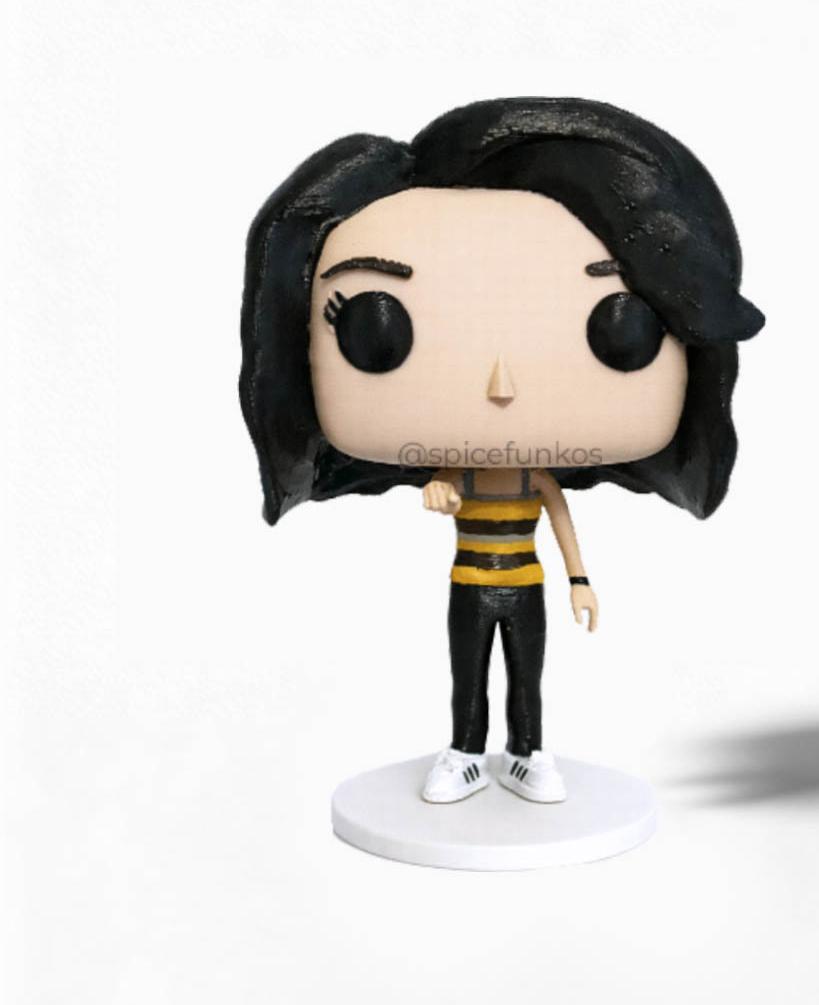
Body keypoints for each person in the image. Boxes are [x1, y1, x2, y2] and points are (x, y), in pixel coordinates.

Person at [239, 97, 764, 804]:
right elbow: (446, 488)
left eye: (622, 326)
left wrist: (579, 580)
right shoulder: (457, 466)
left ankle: (526, 751)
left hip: (527, 583)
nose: (501, 386)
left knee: (526, 673)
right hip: (468, 580)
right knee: (467, 672)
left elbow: (559, 514)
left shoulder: (535, 477)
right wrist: (438, 487)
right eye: (373, 328)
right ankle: (463, 751)